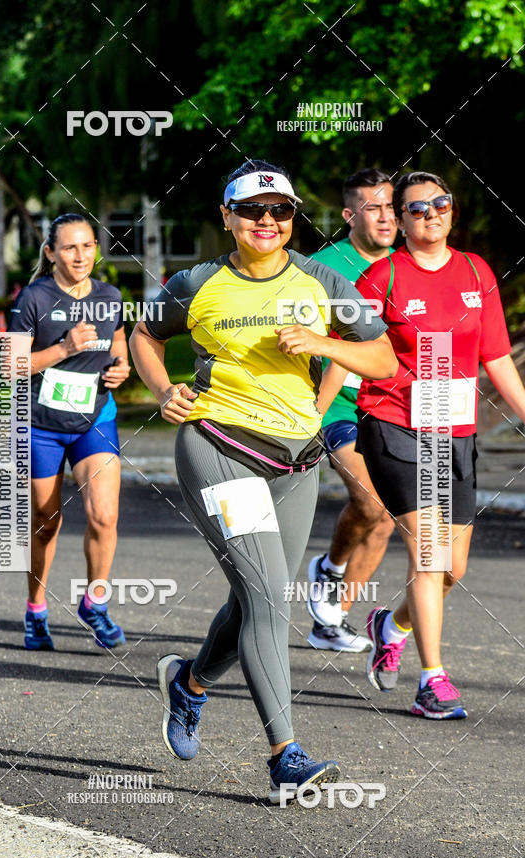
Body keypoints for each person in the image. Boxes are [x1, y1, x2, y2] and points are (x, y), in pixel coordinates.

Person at [129, 159, 397, 801]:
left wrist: (326, 346)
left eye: (280, 211)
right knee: (269, 599)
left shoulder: (323, 279)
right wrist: (164, 389)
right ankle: (286, 756)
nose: (268, 222)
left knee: (257, 596)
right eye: (253, 211)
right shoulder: (196, 282)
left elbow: (383, 353)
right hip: (217, 444)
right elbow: (143, 333)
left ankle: (188, 683)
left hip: (295, 461)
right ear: (227, 217)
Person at [355, 171, 525, 718]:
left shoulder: (477, 271)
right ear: (399, 220)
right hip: (394, 423)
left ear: (452, 209)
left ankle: (393, 623)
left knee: (453, 569)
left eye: (440, 203)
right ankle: (433, 680)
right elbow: (346, 351)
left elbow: (496, 357)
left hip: (455, 431)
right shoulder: (381, 278)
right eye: (417, 207)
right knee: (428, 555)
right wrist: (312, 415)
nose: (431, 212)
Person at [8, 213, 131, 652]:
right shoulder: (33, 300)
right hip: (39, 424)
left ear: (97, 248)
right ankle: (36, 608)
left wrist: (122, 365)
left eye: (87, 246)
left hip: (94, 418)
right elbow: (10, 367)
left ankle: (94, 603)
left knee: (105, 515)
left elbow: (118, 338)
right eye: (69, 248)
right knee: (46, 522)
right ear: (51, 253)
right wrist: (62, 349)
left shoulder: (110, 295)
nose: (80, 256)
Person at [306, 168, 397, 653]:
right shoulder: (323, 265)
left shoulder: (408, 265)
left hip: (390, 403)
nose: (386, 217)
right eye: (374, 207)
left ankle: (333, 620)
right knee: (369, 502)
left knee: (386, 519)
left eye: (391, 207)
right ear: (349, 215)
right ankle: (330, 567)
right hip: (336, 401)